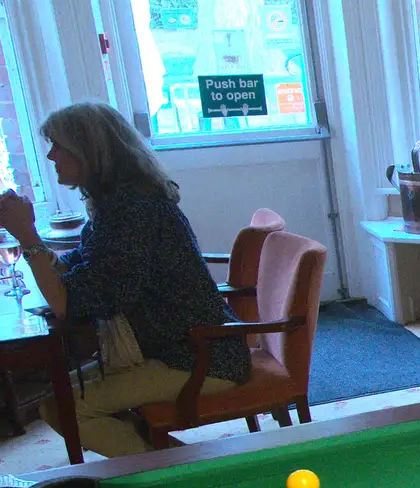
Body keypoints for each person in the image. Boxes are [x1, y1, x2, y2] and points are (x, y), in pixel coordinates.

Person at [0, 102, 250, 458]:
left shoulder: (132, 211)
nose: (51, 154)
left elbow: (69, 303)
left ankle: (169, 475)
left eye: (58, 145)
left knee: (67, 408)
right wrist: (34, 243)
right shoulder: (115, 205)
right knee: (57, 400)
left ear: (89, 151)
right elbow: (74, 270)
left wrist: (27, 236)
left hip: (199, 356)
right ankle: (174, 460)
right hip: (170, 348)